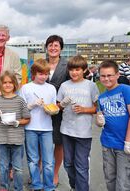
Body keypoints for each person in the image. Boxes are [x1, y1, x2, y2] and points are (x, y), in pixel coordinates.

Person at [57, 55, 99, 191]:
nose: (74, 73)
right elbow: (58, 106)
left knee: (81, 166)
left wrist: (84, 109)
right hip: (66, 131)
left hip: (83, 133)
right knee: (68, 164)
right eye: (71, 70)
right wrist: (62, 104)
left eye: (77, 70)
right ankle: (75, 186)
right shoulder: (64, 85)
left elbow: (97, 108)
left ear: (84, 70)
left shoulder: (91, 86)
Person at [19, 59, 56, 191]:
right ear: (34, 73)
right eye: (40, 74)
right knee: (33, 160)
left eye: (46, 74)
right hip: (30, 128)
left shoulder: (51, 88)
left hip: (47, 128)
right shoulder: (26, 88)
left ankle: (49, 187)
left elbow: (54, 106)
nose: (43, 76)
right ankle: (36, 185)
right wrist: (32, 104)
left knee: (49, 162)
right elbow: (21, 109)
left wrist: (52, 110)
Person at [96, 60, 130, 191]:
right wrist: (99, 121)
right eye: (103, 76)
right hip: (107, 144)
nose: (106, 79)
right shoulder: (101, 97)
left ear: (117, 75)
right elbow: (100, 118)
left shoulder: (127, 90)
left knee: (123, 184)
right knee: (110, 180)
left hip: (124, 145)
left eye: (109, 75)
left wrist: (128, 141)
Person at [0, 71, 30, 191]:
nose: (7, 85)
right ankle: (4, 186)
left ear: (14, 84)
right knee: (3, 166)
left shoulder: (20, 100)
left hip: (17, 140)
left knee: (18, 168)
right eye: (5, 83)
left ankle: (18, 187)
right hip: (2, 139)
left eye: (10, 82)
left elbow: (27, 118)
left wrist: (18, 122)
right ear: (1, 84)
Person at [45, 35, 69, 186]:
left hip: (61, 109)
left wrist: (62, 103)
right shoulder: (41, 63)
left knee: (58, 143)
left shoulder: (67, 65)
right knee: (42, 140)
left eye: (56, 45)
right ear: (46, 47)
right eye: (50, 45)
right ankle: (40, 170)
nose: (53, 48)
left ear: (61, 48)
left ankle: (54, 173)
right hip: (42, 109)